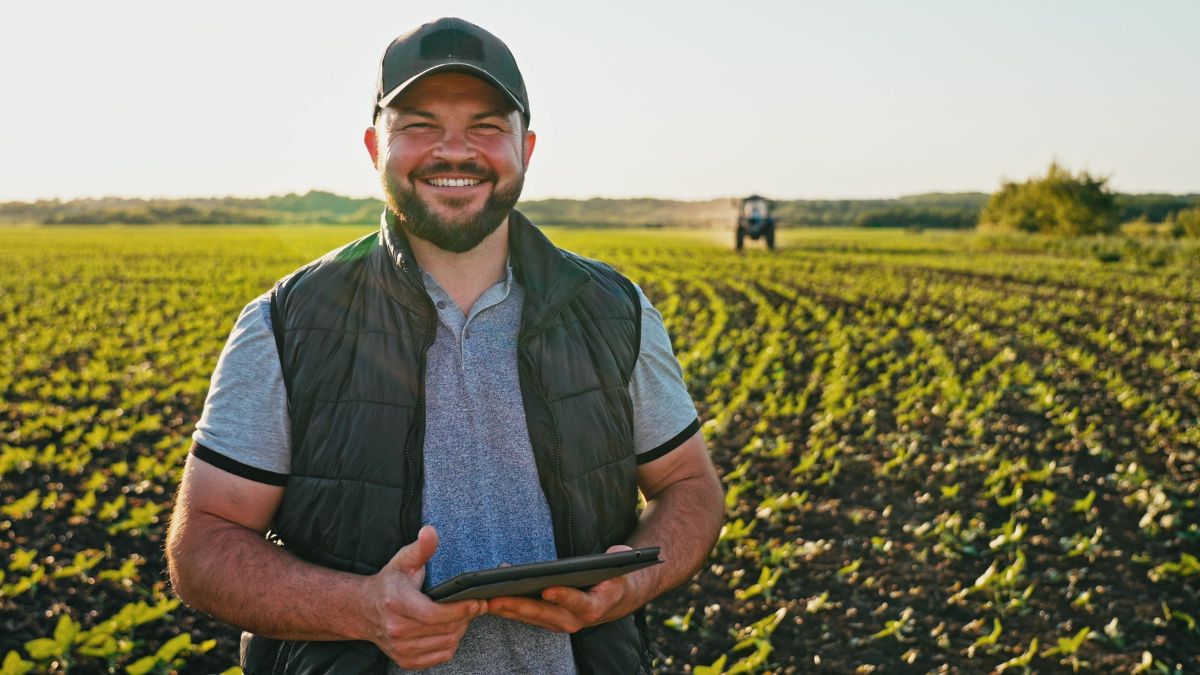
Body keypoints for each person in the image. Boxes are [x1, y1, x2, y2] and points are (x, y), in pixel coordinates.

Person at [166, 17, 724, 674]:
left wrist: (630, 585)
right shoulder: (286, 323)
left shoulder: (614, 310)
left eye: (486, 126)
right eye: (420, 125)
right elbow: (202, 544)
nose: (453, 150)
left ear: (527, 147)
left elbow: (690, 486)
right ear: (376, 145)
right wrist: (361, 607)